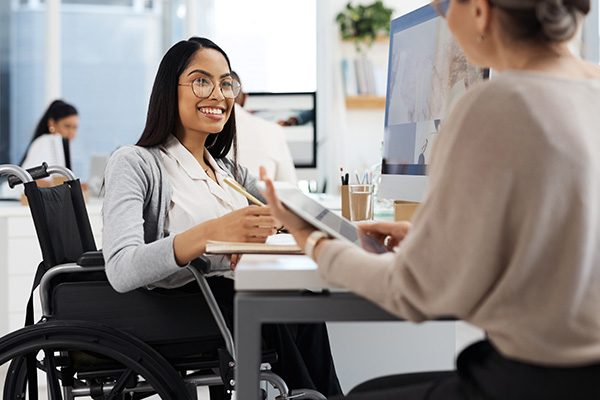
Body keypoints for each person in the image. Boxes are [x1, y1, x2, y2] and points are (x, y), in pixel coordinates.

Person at [260, 0, 600, 398]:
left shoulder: (494, 104)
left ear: (479, 11)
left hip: (534, 381)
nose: (440, 14)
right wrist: (439, 237)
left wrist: (316, 243)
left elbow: (415, 293)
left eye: (443, 3)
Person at [101, 37, 342, 399]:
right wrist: (213, 234)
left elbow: (288, 215)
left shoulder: (228, 170)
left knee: (305, 305)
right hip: (179, 308)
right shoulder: (136, 162)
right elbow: (121, 268)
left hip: (229, 298)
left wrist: (345, 226)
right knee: (274, 309)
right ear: (170, 90)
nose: (218, 94)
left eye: (226, 83)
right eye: (202, 81)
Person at [229, 71, 297, 184]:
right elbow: (290, 187)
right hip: (263, 200)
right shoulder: (274, 131)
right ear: (245, 98)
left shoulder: (202, 130)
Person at [20, 99, 79, 186]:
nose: (71, 132)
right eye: (67, 126)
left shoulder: (61, 147)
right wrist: (58, 186)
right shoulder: (45, 142)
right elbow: (28, 180)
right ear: (52, 123)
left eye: (75, 127)